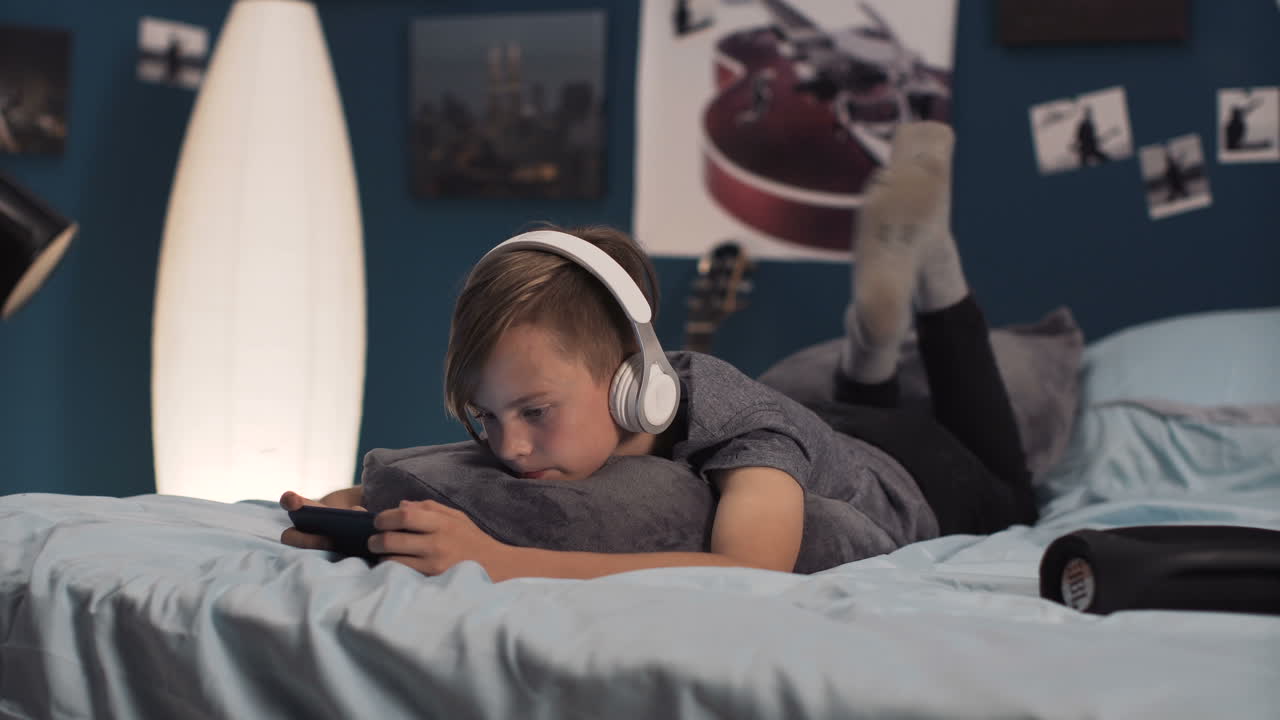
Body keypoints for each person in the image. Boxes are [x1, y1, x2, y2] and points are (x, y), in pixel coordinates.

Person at [280, 121, 1037, 581]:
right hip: (831, 425)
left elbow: (747, 575)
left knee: (1015, 488)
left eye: (537, 411)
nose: (510, 447)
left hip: (924, 470)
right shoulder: (545, 419)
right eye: (488, 416)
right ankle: (867, 350)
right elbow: (463, 460)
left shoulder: (747, 434)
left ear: (630, 384)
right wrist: (360, 505)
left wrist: (502, 562)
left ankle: (932, 271)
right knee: (840, 403)